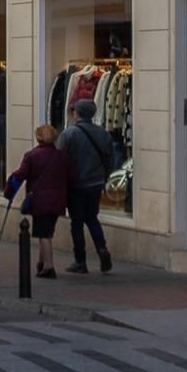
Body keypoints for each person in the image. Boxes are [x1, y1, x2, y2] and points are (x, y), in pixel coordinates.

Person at [57, 97, 117, 274]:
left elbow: (60, 160)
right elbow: (111, 159)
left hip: (76, 185)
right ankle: (102, 248)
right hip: (96, 183)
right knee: (92, 218)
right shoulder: (103, 133)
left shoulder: (69, 134)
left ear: (78, 114)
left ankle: (80, 260)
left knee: (77, 222)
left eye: (74, 110)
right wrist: (104, 177)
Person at [6, 124, 71, 278]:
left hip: (40, 201)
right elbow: (70, 177)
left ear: (39, 137)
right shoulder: (62, 156)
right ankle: (41, 262)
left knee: (44, 234)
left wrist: (9, 191)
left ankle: (49, 267)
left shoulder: (31, 156)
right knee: (46, 231)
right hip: (57, 201)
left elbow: (20, 175)